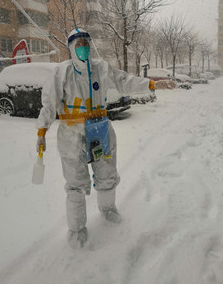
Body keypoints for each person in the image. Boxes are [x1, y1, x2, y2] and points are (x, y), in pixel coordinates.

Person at [36, 28, 155, 248]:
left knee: (107, 172)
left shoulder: (101, 68)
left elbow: (123, 81)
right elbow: (49, 103)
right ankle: (77, 230)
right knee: (75, 183)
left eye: (86, 43)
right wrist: (42, 130)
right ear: (71, 47)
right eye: (78, 43)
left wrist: (148, 84)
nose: (83, 47)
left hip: (100, 129)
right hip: (72, 133)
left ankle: (108, 209)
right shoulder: (61, 72)